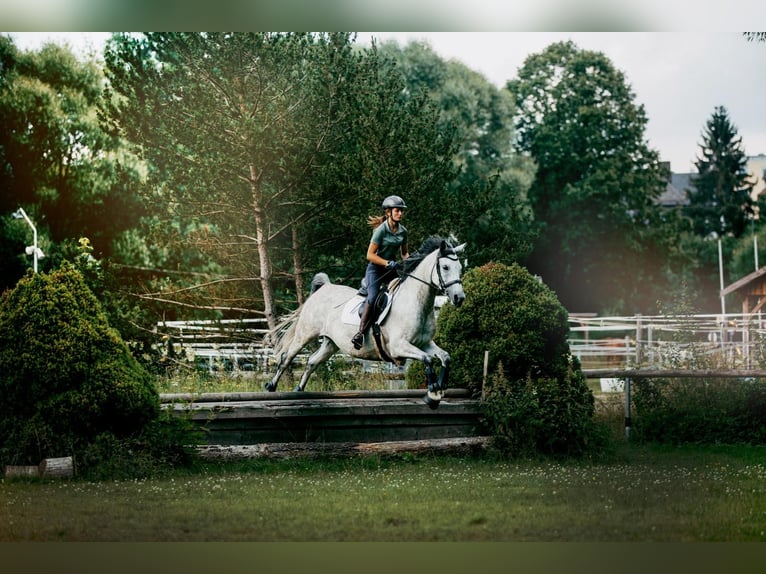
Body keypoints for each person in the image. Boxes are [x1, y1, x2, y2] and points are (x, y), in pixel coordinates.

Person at [351, 195, 409, 350]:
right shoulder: (380, 230)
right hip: (375, 269)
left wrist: (409, 263)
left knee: (404, 292)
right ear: (388, 212)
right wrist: (386, 262)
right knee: (373, 296)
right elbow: (369, 255)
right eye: (398, 211)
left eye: (402, 211)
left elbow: (404, 254)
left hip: (392, 270)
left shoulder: (403, 231)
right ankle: (360, 333)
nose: (401, 214)